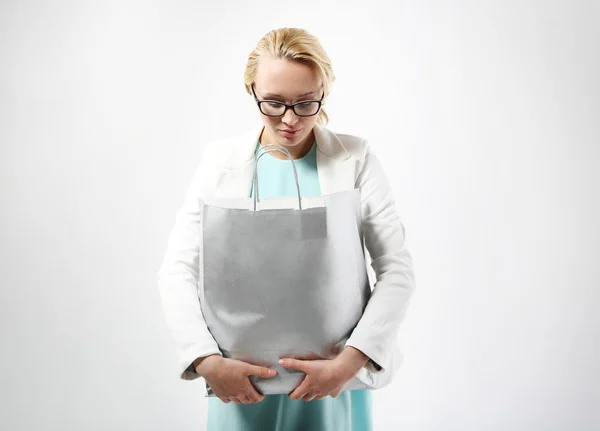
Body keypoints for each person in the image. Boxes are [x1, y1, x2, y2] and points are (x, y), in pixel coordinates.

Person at [156, 27, 416, 431]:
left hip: (334, 385)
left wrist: (348, 363)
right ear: (251, 91)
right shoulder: (219, 163)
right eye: (273, 104)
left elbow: (396, 269)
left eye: (306, 103)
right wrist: (206, 361)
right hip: (240, 385)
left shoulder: (356, 159)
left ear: (324, 91)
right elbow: (177, 269)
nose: (290, 120)